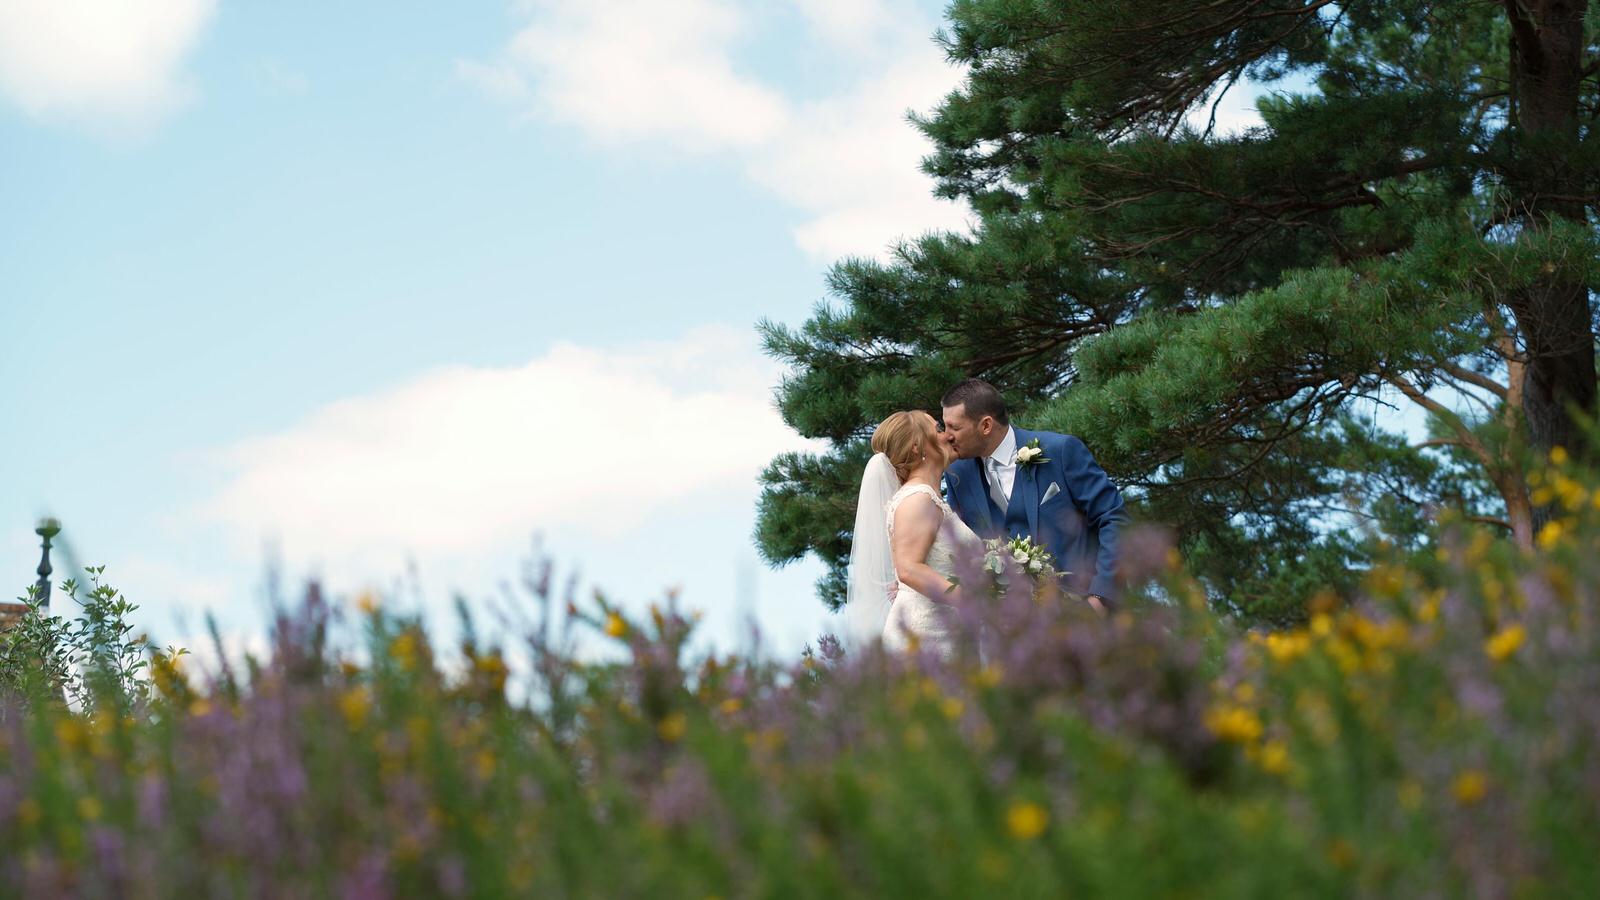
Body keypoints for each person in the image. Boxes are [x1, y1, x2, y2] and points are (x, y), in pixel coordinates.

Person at [940, 379, 1128, 612]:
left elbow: (1114, 518)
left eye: (954, 428)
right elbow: (959, 546)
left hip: (1083, 615)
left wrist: (1101, 597)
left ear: (986, 425)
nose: (946, 436)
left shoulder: (1061, 451)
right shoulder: (958, 475)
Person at [844, 410, 983, 660]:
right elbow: (908, 568)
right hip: (926, 639)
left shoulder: (928, 498)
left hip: (946, 633)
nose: (947, 436)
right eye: (938, 429)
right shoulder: (918, 498)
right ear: (918, 446)